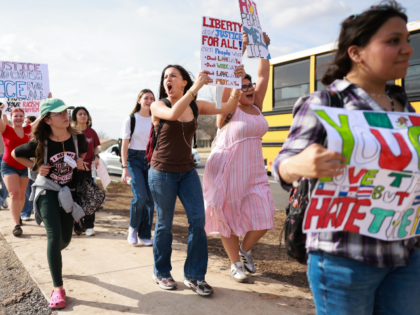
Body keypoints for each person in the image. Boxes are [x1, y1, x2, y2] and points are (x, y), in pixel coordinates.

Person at [273, 2, 419, 314]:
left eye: (406, 40)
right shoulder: (324, 103)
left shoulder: (403, 108)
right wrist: (298, 165)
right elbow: (282, 165)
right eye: (393, 40)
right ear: (356, 52)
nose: (407, 49)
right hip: (344, 257)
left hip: (407, 253)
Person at [148, 64, 246, 296]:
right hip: (162, 172)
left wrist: (235, 81)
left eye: (173, 76)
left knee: (198, 221)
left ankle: (194, 276)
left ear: (183, 81)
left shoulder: (195, 105)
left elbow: (230, 107)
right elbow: (172, 115)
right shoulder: (158, 105)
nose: (167, 80)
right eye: (165, 77)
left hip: (187, 172)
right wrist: (196, 87)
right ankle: (161, 272)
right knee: (165, 224)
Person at [203, 32, 275, 282]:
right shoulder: (228, 110)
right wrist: (241, 47)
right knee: (226, 215)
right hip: (227, 169)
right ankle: (235, 264)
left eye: (250, 84)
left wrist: (263, 46)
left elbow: (264, 75)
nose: (248, 88)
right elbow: (227, 81)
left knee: (266, 215)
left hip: (254, 169)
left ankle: (244, 250)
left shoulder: (256, 105)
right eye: (242, 86)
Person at [12, 98, 88, 309]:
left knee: (65, 240)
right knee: (54, 236)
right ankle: (58, 288)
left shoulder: (77, 138)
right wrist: (36, 166)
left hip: (68, 193)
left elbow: (81, 157)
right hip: (47, 190)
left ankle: (54, 253)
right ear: (47, 119)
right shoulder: (39, 142)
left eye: (66, 111)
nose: (66, 115)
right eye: (59, 113)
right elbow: (14, 154)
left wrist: (81, 163)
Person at [121, 89, 155, 246]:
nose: (149, 100)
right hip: (133, 160)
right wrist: (124, 167)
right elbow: (125, 145)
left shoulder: (156, 119)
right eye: (146, 98)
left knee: (150, 200)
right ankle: (133, 228)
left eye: (152, 98)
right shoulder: (131, 119)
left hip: (150, 160)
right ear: (139, 100)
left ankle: (145, 234)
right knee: (140, 197)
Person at [0, 105, 31, 236]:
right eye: (15, 116)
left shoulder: (29, 129)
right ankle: (16, 224)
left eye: (20, 116)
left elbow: (42, 118)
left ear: (24, 118)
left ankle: (17, 216)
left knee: (21, 194)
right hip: (8, 165)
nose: (18, 118)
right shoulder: (6, 129)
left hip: (24, 167)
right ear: (11, 118)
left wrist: (47, 101)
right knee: (14, 193)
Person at [72, 106, 100, 236]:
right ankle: (77, 224)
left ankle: (89, 226)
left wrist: (96, 157)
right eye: (80, 114)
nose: (83, 116)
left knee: (89, 197)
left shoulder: (92, 132)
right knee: (74, 197)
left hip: (88, 169)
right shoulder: (70, 131)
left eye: (85, 114)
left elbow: (95, 147)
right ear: (75, 117)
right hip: (72, 169)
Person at [21, 115, 37, 220]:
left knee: (36, 189)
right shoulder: (21, 133)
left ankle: (36, 210)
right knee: (26, 189)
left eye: (29, 122)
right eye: (25, 122)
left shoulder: (40, 134)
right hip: (25, 164)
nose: (26, 124)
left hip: (37, 165)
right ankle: (25, 212)